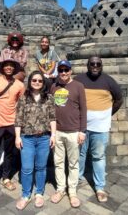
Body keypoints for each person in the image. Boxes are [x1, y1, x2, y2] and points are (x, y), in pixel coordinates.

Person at [75, 56, 123, 203]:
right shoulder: (79, 79)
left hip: (101, 128)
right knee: (80, 154)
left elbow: (119, 100)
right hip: (81, 127)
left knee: (99, 156)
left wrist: (106, 114)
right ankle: (77, 179)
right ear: (87, 65)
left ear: (101, 66)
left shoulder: (108, 81)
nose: (95, 66)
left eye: (98, 64)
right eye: (92, 64)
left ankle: (100, 187)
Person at [14, 71, 56, 210]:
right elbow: (18, 119)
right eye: (34, 80)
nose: (37, 83)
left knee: (41, 167)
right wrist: (17, 136)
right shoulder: (23, 98)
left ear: (43, 83)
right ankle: (26, 194)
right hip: (27, 138)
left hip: (44, 138)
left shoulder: (48, 98)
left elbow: (52, 118)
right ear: (30, 81)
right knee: (26, 168)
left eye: (40, 81)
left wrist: (53, 135)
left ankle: (39, 193)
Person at [0, 57, 25, 198]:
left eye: (11, 66)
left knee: (9, 153)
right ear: (2, 68)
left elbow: (21, 104)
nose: (9, 68)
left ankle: (6, 178)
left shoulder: (19, 85)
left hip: (12, 124)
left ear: (14, 69)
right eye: (6, 65)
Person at [50, 60, 87, 208]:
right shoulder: (54, 86)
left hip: (73, 131)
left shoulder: (78, 86)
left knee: (73, 163)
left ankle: (72, 191)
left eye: (66, 70)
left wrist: (82, 131)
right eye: (61, 70)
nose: (63, 73)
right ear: (58, 72)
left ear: (71, 71)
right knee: (58, 163)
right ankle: (60, 189)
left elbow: (84, 110)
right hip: (57, 131)